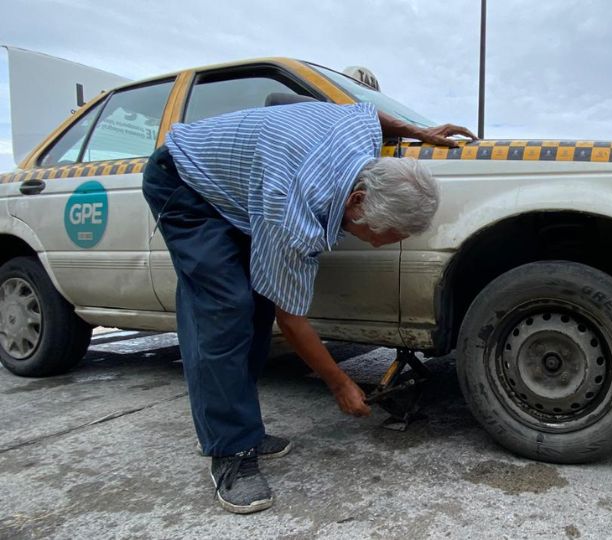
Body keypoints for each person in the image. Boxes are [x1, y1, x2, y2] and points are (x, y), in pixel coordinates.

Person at [141, 100, 476, 514]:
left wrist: (419, 131)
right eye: (383, 236)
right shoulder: (291, 212)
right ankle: (230, 453)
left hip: (246, 183)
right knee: (226, 310)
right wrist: (339, 382)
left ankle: (229, 425)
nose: (380, 244)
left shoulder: (362, 139)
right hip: (185, 180)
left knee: (259, 299)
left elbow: (369, 113)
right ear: (357, 202)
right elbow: (292, 318)